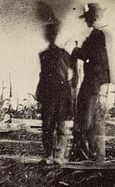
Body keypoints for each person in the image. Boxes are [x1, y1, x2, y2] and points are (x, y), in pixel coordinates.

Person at [72, 2, 111, 162]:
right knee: (93, 119)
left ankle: (85, 155)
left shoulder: (97, 35)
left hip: (92, 81)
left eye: (87, 17)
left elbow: (94, 57)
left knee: (85, 118)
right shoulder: (101, 34)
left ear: (93, 17)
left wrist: (76, 51)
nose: (86, 21)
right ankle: (95, 155)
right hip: (96, 81)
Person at [36, 22, 73, 165]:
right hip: (48, 94)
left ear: (55, 35)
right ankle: (48, 156)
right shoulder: (43, 55)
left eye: (53, 33)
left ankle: (59, 155)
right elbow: (42, 75)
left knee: (62, 125)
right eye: (49, 34)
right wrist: (39, 93)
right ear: (47, 36)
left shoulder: (64, 54)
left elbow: (70, 76)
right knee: (47, 126)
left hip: (62, 94)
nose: (51, 36)